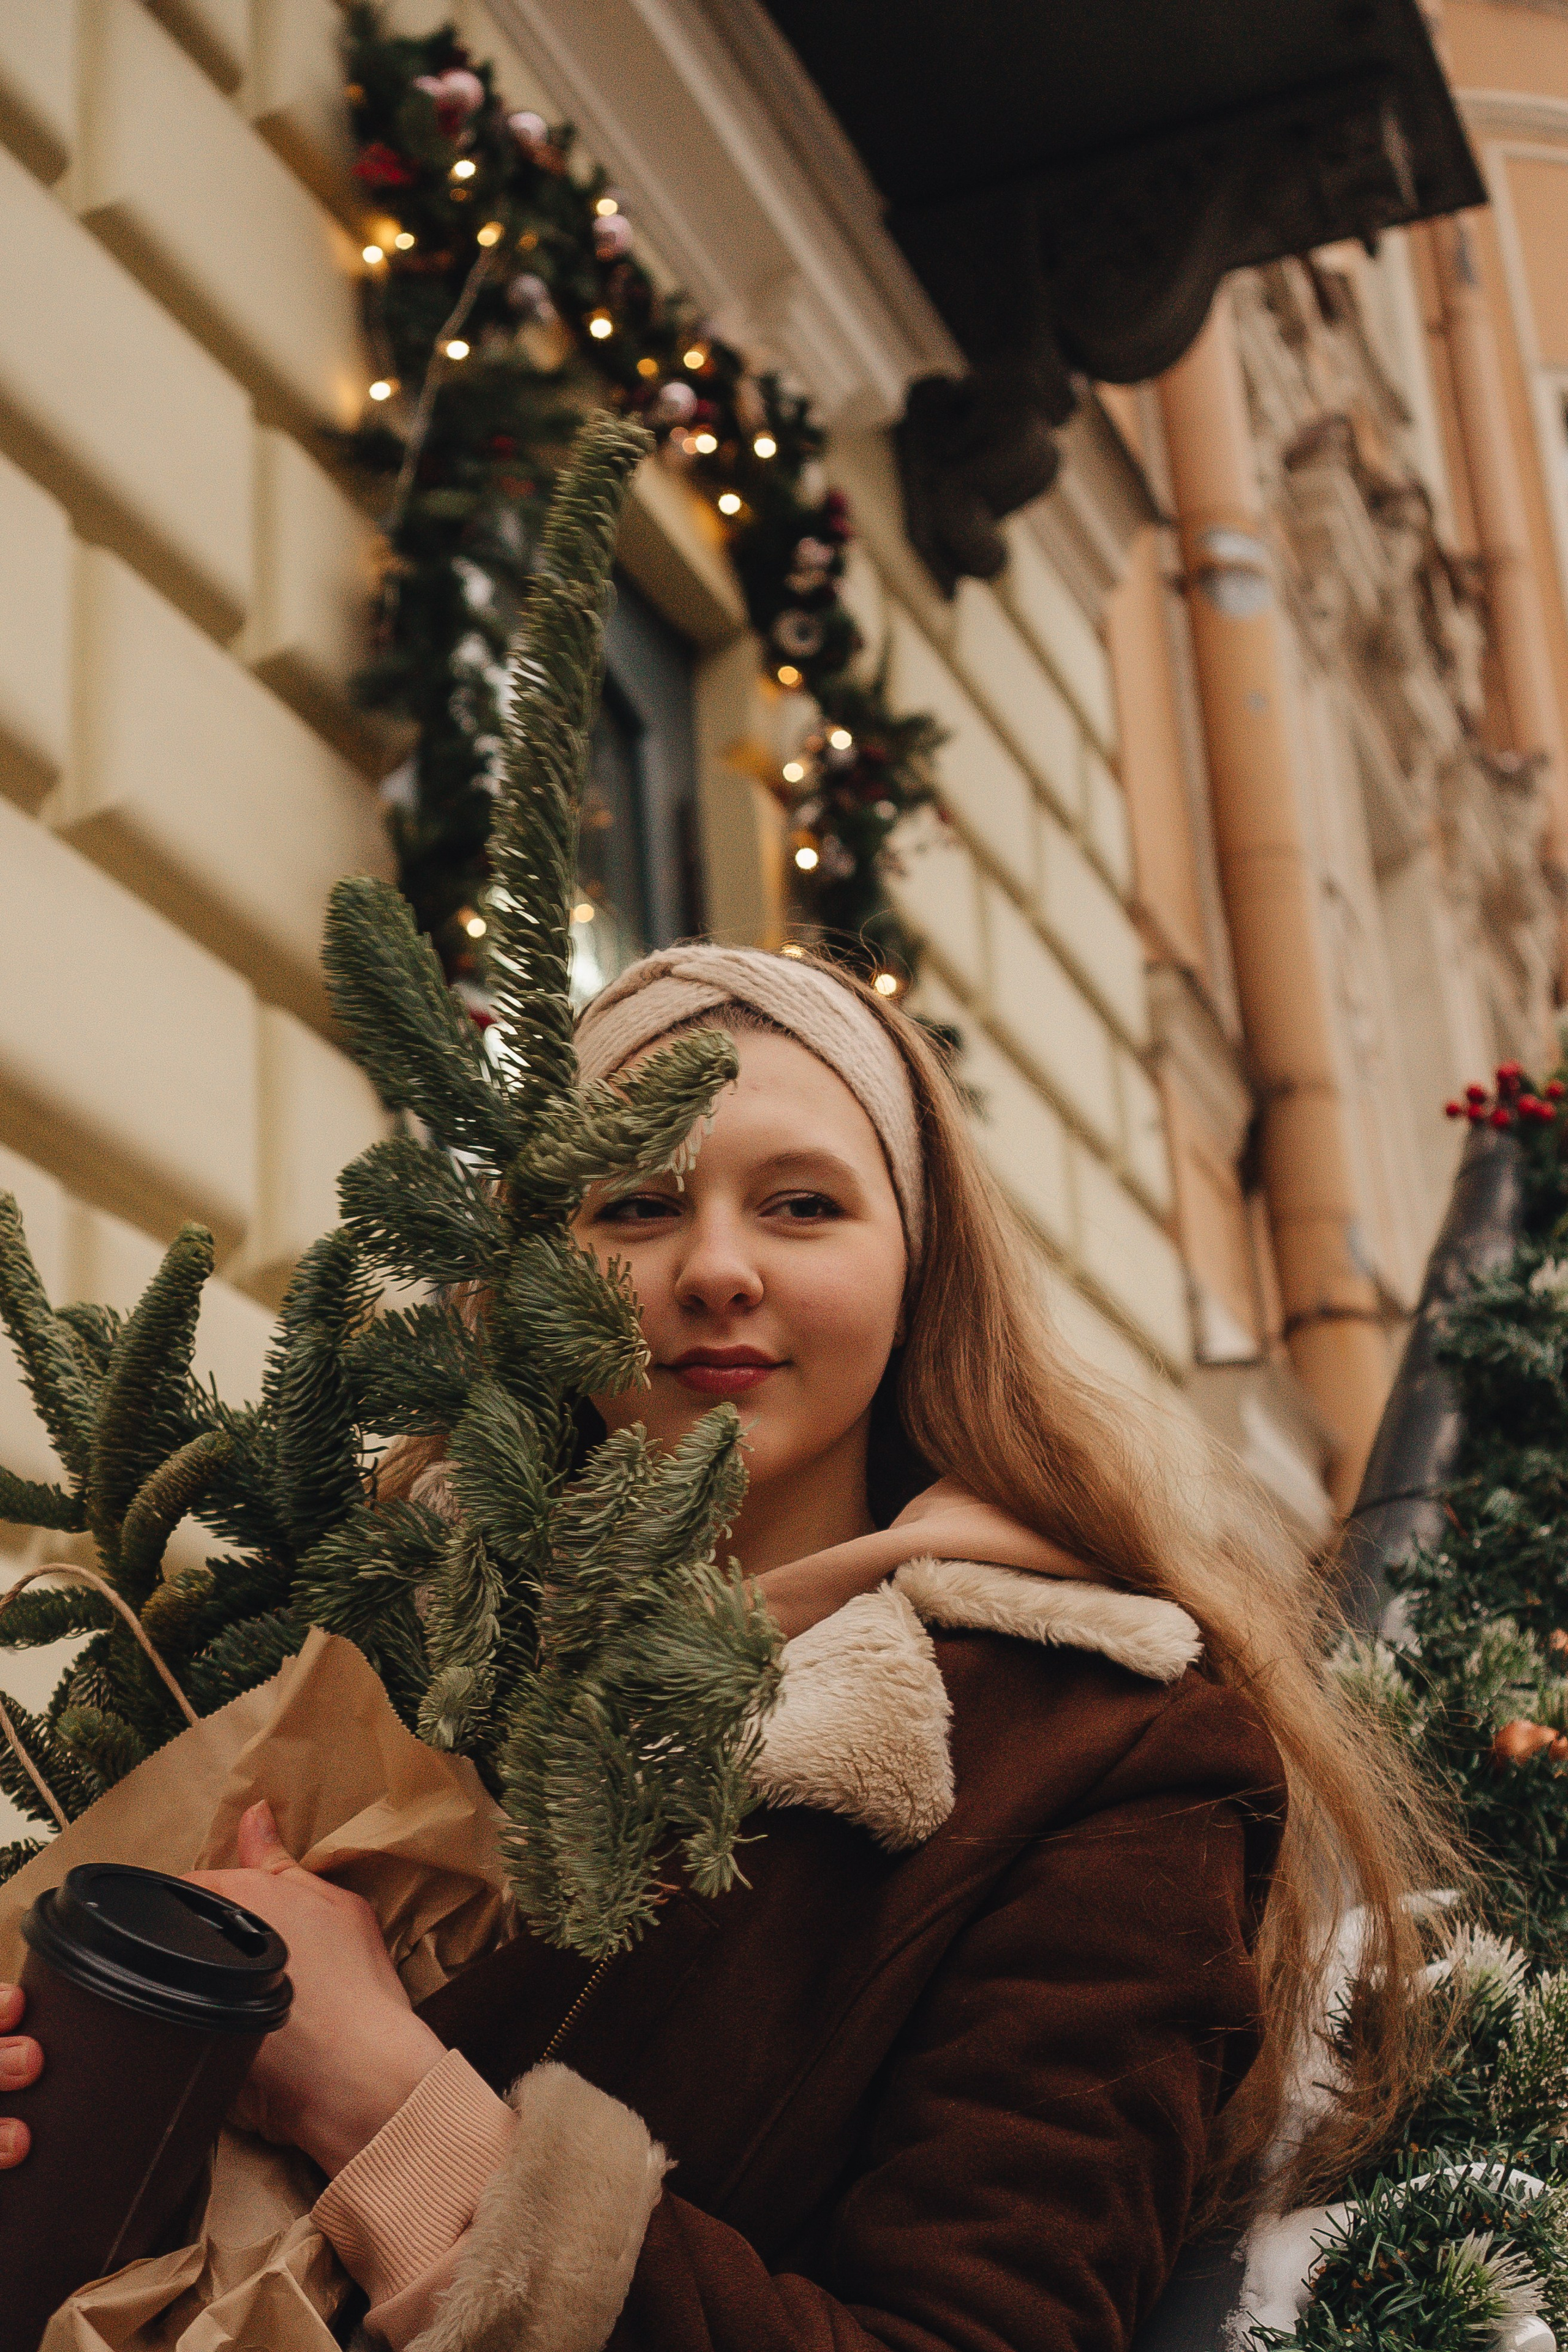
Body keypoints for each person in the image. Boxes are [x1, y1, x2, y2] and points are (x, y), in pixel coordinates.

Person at [0, 945, 1449, 2351]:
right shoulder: (356, 1650)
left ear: (918, 1266)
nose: (713, 1269)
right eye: (634, 1204)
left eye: (802, 1204)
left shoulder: (1096, 1749)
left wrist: (377, 2097)